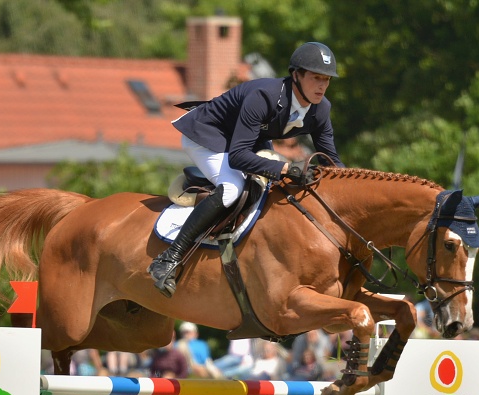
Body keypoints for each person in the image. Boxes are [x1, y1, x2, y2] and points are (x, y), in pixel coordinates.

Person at [148, 42, 346, 297]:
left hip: (247, 139)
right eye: (316, 77)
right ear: (296, 75)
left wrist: (349, 186)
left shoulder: (321, 109)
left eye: (327, 80)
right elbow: (239, 157)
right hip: (209, 135)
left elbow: (331, 161)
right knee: (232, 189)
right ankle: (168, 258)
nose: (322, 86)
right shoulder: (264, 95)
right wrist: (286, 167)